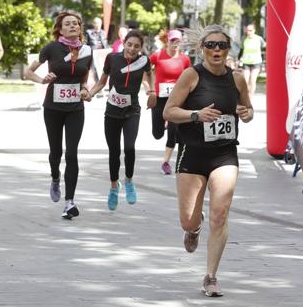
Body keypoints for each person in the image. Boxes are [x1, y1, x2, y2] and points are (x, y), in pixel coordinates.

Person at [163, 24, 253, 297]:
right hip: (192, 152)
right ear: (202, 48)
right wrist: (195, 115)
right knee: (188, 221)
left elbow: (248, 110)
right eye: (211, 45)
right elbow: (169, 111)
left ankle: (211, 276)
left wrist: (246, 113)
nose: (216, 50)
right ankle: (193, 229)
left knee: (220, 214)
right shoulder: (191, 75)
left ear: (228, 49)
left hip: (225, 154)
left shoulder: (237, 79)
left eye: (222, 45)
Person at [24, 11, 92, 219]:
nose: (72, 26)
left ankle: (69, 202)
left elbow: (83, 77)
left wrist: (84, 89)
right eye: (67, 24)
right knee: (56, 153)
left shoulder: (86, 50)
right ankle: (55, 177)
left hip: (75, 109)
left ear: (80, 28)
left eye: (75, 24)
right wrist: (42, 80)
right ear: (60, 29)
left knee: (72, 153)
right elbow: (28, 72)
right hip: (53, 108)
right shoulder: (51, 48)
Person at [84, 30, 155, 211]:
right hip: (112, 111)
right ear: (124, 43)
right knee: (114, 152)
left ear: (141, 48)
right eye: (129, 44)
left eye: (137, 46)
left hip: (132, 111)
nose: (132, 49)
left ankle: (129, 181)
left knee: (129, 148)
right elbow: (102, 81)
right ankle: (114, 187)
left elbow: (149, 75)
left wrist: (151, 91)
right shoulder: (112, 59)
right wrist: (90, 94)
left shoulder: (144, 61)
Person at [148, 29, 192, 175]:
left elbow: (190, 78)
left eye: (178, 41)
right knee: (157, 133)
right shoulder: (157, 56)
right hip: (160, 97)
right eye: (172, 40)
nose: (175, 43)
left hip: (177, 99)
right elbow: (145, 71)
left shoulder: (185, 59)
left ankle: (165, 162)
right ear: (167, 41)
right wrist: (149, 88)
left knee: (173, 131)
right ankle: (164, 124)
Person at [239, 24, 266, 96]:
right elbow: (241, 50)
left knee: (252, 81)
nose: (249, 32)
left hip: (256, 62)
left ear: (254, 30)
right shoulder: (244, 39)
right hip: (246, 62)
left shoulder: (259, 39)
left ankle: (251, 97)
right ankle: (246, 96)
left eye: (250, 30)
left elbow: (265, 47)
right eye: (247, 30)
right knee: (245, 81)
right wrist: (238, 59)